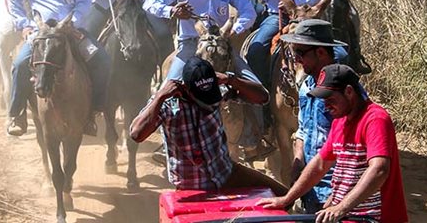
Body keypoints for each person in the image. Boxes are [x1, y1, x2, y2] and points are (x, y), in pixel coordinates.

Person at [257, 64, 408, 223]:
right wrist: (287, 199)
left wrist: (340, 208)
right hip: (348, 216)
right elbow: (320, 164)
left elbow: (379, 169)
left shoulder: (375, 119)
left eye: (331, 99)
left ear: (349, 92)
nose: (326, 106)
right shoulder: (340, 122)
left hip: (374, 217)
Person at [129, 56, 287, 195]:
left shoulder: (218, 90)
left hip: (227, 174)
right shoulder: (168, 104)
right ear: (186, 88)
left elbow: (262, 98)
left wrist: (231, 80)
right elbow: (137, 134)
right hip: (191, 188)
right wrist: (159, 96)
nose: (208, 102)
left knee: (283, 196)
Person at [6, 0, 100, 136]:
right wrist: (25, 24)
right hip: (40, 33)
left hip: (70, 29)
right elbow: (13, 1)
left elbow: (85, 2)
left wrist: (72, 21)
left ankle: (92, 112)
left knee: (100, 59)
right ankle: (17, 113)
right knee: (20, 64)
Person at [279, 20, 350, 213]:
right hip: (310, 187)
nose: (296, 60)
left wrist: (340, 193)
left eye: (300, 53)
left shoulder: (345, 92)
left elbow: (354, 147)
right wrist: (297, 161)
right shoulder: (305, 86)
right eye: (294, 54)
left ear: (320, 52)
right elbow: (303, 129)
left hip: (334, 190)